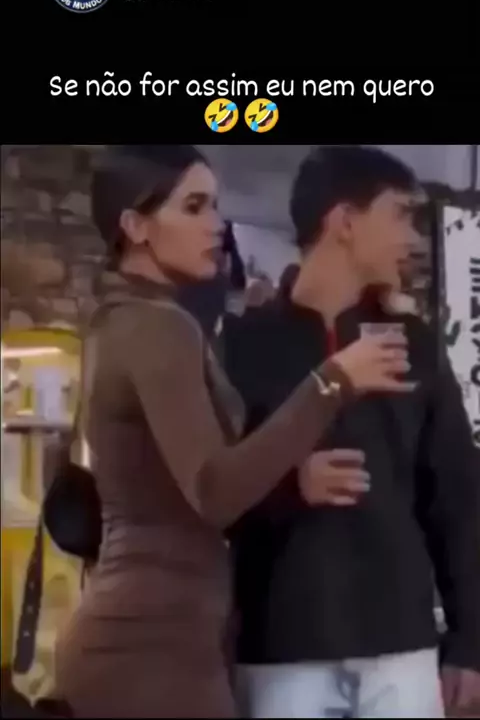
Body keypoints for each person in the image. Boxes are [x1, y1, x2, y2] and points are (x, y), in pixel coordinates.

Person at [53, 145, 412, 719]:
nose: (216, 225)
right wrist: (333, 380)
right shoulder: (159, 327)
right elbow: (214, 491)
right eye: (194, 207)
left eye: (215, 206)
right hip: (148, 650)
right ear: (135, 226)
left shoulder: (128, 320)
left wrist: (292, 476)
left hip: (163, 641)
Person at [225, 146, 480, 719]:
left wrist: (470, 640)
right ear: (343, 221)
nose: (414, 239)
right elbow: (208, 497)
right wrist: (288, 488)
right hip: (281, 651)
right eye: (400, 215)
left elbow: (458, 499)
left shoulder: (415, 344)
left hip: (402, 649)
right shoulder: (242, 345)